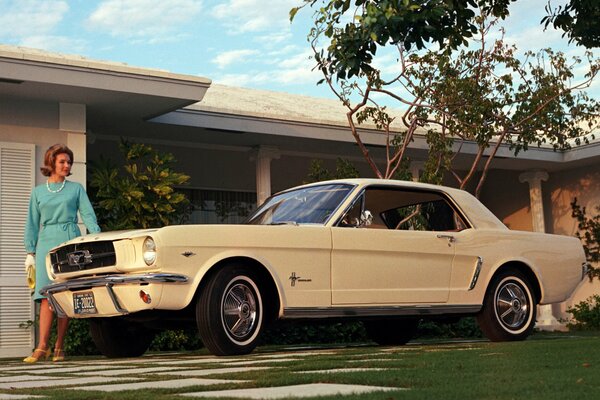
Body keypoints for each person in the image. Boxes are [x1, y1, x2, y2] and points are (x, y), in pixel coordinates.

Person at [23, 144, 101, 363]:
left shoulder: (76, 189)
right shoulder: (38, 192)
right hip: (45, 243)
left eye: (69, 162)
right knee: (46, 296)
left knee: (63, 295)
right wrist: (30, 251)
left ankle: (59, 347)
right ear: (51, 163)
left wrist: (96, 239)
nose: (67, 166)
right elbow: (31, 222)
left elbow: (88, 215)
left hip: (69, 242)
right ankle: (41, 347)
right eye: (62, 162)